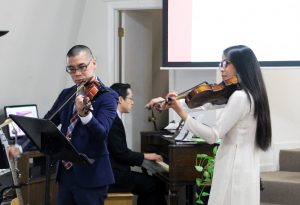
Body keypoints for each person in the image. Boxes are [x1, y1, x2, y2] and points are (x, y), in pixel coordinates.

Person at [146, 45, 272, 205]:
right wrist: (172, 102)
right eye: (221, 63)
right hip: (245, 165)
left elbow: (213, 135)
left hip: (233, 167)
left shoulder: (239, 97)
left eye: (227, 63)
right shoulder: (250, 93)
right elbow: (205, 103)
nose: (222, 69)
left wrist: (181, 113)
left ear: (241, 65)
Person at [43, 45, 118, 205]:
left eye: (82, 67)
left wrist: (85, 115)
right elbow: (47, 122)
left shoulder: (108, 96)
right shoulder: (67, 94)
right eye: (71, 69)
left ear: (94, 63)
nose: (77, 74)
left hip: (92, 175)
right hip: (65, 172)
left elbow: (102, 133)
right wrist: (20, 147)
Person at [108, 83, 167, 205]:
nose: (133, 102)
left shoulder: (112, 118)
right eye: (130, 98)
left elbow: (120, 151)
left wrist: (143, 157)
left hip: (114, 171)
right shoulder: (113, 120)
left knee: (152, 184)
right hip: (113, 176)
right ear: (120, 99)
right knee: (152, 185)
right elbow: (121, 154)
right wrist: (146, 156)